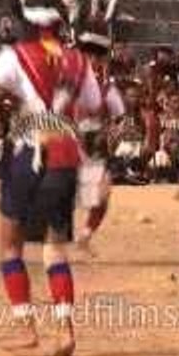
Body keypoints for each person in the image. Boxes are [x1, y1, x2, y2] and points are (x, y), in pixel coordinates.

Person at [0, 0, 102, 356]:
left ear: (27, 24)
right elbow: (93, 103)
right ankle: (64, 331)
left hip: (29, 151)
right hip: (65, 153)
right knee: (54, 247)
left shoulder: (15, 55)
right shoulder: (78, 60)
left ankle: (26, 329)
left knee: (10, 243)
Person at [72, 20, 125, 255]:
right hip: (68, 141)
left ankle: (84, 236)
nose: (93, 61)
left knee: (102, 195)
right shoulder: (69, 80)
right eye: (89, 56)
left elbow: (120, 117)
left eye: (97, 57)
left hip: (94, 146)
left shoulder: (106, 87)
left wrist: (115, 132)